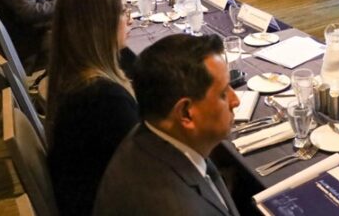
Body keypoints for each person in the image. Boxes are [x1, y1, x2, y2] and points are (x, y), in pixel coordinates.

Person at [93, 34, 240, 216]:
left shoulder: (148, 134)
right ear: (186, 113)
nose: (236, 100)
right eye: (223, 93)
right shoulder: (176, 207)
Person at [47, 0, 138, 216]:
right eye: (123, 11)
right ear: (99, 24)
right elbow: (148, 167)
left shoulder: (74, 70)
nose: (130, 19)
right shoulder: (104, 99)